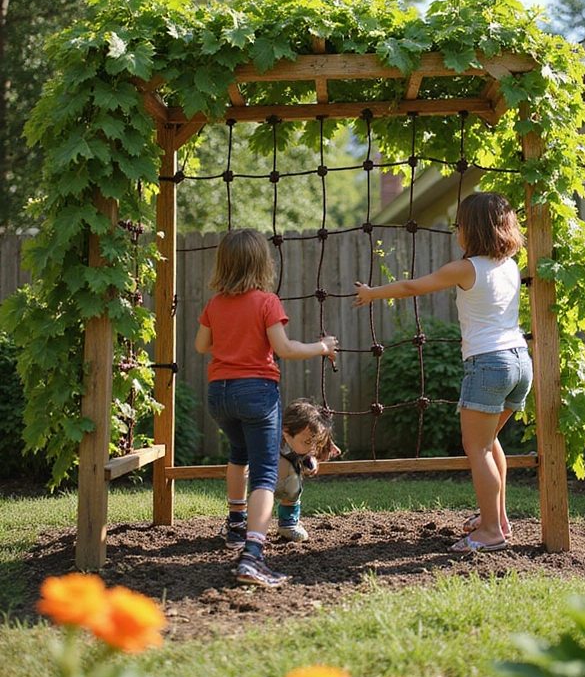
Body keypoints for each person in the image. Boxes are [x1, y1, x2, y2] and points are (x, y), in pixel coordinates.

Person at [353, 192, 532, 553]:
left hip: (489, 363)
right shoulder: (510, 265)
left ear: (473, 229)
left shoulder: (466, 268)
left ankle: (492, 532)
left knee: (476, 447)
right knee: (489, 442)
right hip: (519, 362)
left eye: (459, 225)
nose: (457, 231)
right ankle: (496, 518)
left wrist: (373, 293)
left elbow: (411, 287)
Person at [195, 228, 338, 588]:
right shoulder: (266, 301)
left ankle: (236, 526)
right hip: (256, 392)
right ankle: (253, 557)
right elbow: (285, 349)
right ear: (262, 263)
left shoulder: (215, 303)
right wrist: (322, 347)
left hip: (219, 396)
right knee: (263, 474)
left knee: (238, 453)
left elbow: (201, 346)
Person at [274, 398, 341, 542]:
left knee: (292, 485)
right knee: (289, 480)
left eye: (315, 443)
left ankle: (288, 522)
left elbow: (306, 454)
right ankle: (243, 520)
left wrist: (311, 461)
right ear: (286, 433)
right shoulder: (272, 441)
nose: (312, 447)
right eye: (308, 442)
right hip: (261, 477)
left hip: (284, 477)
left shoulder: (298, 445)